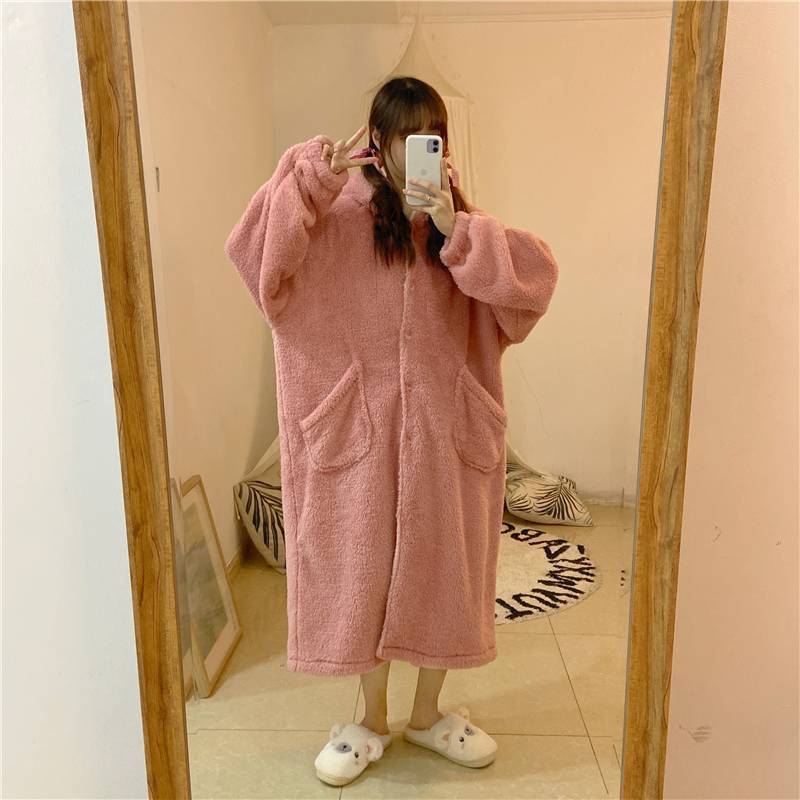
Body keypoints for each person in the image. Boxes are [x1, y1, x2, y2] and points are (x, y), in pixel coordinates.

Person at [224, 76, 559, 786]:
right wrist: (308, 180)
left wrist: (457, 231)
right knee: (362, 572)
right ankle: (370, 721)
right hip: (356, 431)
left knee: (446, 570)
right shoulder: (334, 218)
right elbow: (257, 262)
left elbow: (533, 288)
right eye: (406, 135)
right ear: (378, 140)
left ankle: (428, 715)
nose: (418, 149)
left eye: (431, 134)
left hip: (447, 430)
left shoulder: (458, 222)